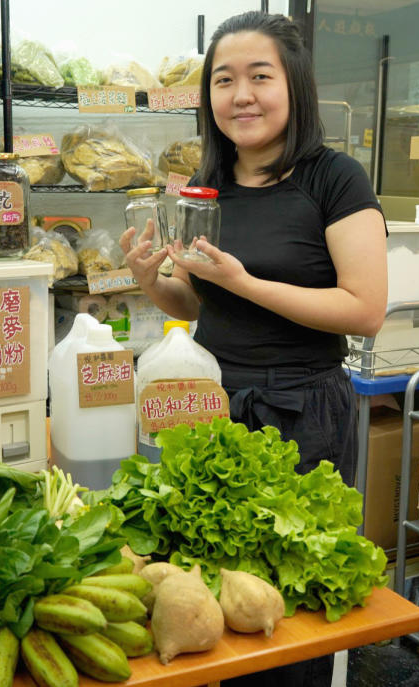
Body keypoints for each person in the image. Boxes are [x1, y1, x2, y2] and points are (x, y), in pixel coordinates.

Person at [121, 11, 388, 503]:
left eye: (260, 77)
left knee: (296, 569)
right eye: (224, 81)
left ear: (294, 86)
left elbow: (366, 311)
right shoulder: (208, 185)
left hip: (303, 410)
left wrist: (244, 283)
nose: (241, 95)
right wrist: (150, 281)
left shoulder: (336, 178)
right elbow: (193, 302)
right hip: (209, 393)